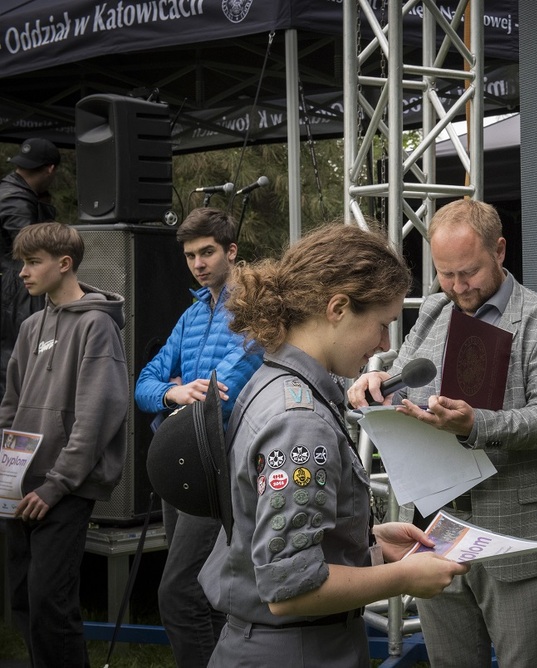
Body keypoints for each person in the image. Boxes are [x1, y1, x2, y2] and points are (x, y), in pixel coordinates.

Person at [197, 222, 468, 667]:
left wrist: (370, 546)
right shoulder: (298, 421)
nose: (383, 344)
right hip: (297, 650)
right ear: (338, 307)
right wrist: (402, 578)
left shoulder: (276, 382)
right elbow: (291, 589)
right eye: (381, 325)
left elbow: (276, 535)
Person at [348, 199, 537, 668]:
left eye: (468, 272)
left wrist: (476, 424)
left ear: (500, 250)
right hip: (435, 525)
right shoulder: (435, 310)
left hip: (514, 528)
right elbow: (404, 376)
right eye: (445, 274)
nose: (457, 286)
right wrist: (374, 383)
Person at [133, 207, 263, 667]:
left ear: (231, 250)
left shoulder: (255, 306)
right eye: (190, 255)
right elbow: (144, 384)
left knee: (179, 592)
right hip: (180, 458)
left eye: (207, 252)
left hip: (218, 464)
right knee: (204, 593)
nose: (198, 263)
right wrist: (174, 392)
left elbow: (221, 395)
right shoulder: (191, 315)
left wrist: (184, 397)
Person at [0, 222, 129, 667]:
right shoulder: (32, 324)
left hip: (64, 489)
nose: (23, 273)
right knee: (23, 600)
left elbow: (97, 416)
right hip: (19, 486)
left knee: (50, 603)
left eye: (33, 263)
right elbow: (11, 403)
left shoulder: (97, 326)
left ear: (64, 264)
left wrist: (57, 484)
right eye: (22, 263)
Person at [0, 138, 61, 399]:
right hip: (15, 293)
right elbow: (31, 248)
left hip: (13, 290)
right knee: (17, 365)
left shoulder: (12, 192)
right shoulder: (16, 200)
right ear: (50, 169)